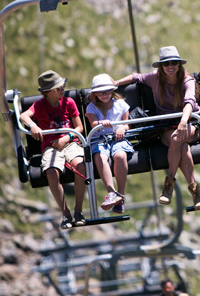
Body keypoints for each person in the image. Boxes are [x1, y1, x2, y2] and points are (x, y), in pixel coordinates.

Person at [114, 46, 200, 210]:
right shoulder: (154, 79)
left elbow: (189, 102)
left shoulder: (187, 80)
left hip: (190, 124)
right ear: (161, 67)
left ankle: (169, 185)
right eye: (166, 64)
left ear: (179, 65)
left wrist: (184, 121)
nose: (171, 67)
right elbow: (136, 77)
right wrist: (116, 83)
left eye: (174, 63)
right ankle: (195, 192)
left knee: (179, 139)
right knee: (181, 145)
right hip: (167, 128)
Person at [19, 70, 86, 229]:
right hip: (51, 146)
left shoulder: (69, 102)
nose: (62, 90)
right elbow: (24, 116)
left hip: (70, 142)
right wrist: (33, 125)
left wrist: (66, 138)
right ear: (47, 92)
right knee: (51, 171)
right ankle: (65, 213)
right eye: (58, 89)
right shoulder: (39, 106)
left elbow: (79, 127)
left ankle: (78, 211)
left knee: (81, 166)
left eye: (62, 86)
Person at [85, 73, 133, 214]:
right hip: (100, 139)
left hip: (117, 138)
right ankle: (111, 192)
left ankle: (120, 195)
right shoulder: (92, 108)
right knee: (100, 157)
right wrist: (101, 123)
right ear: (95, 94)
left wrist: (121, 128)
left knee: (120, 156)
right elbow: (93, 123)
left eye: (107, 91)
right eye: (100, 93)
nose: (104, 95)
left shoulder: (121, 105)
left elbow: (127, 125)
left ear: (112, 91)